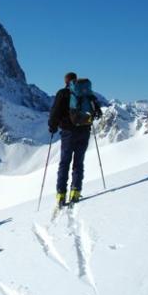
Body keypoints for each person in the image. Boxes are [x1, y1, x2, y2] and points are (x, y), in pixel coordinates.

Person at [48, 72, 102, 207]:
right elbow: (98, 111)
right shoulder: (87, 94)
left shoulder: (62, 93)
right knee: (79, 163)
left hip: (68, 133)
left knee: (64, 163)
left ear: (66, 81)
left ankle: (61, 195)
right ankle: (75, 192)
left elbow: (55, 112)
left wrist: (52, 126)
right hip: (84, 131)